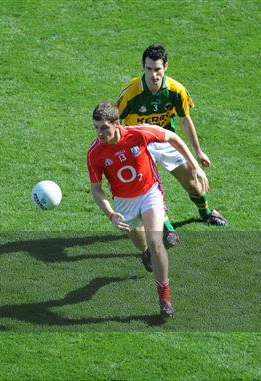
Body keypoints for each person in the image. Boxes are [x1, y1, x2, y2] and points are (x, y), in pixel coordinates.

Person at [87, 102, 209, 317]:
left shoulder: (139, 133)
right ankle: (144, 254)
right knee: (141, 242)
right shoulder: (95, 153)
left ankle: (164, 298)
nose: (100, 133)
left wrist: (195, 166)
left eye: (104, 128)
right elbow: (96, 190)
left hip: (149, 192)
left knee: (155, 242)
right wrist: (111, 214)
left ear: (117, 124)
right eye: (96, 127)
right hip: (124, 203)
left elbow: (173, 138)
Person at [117, 44, 228, 247]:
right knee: (152, 189)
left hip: (166, 139)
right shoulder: (131, 92)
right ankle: (168, 230)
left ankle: (205, 213)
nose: (153, 75)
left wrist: (198, 152)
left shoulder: (176, 91)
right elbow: (115, 120)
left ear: (166, 67)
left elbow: (185, 120)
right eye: (149, 69)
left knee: (193, 182)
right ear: (143, 67)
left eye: (157, 69)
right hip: (140, 145)